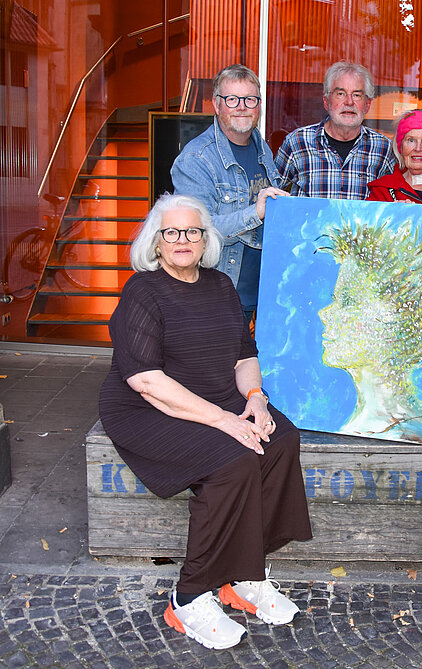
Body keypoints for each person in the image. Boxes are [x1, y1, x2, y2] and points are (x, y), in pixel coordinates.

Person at [98, 194, 311, 650]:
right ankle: (189, 594)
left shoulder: (219, 285)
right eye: (171, 232)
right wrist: (224, 421)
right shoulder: (143, 290)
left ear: (205, 239)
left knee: (279, 438)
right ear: (156, 243)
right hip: (146, 409)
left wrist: (255, 400)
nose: (182, 240)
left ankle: (245, 574)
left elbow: (243, 355)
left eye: (192, 231)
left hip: (211, 396)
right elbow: (147, 381)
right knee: (232, 460)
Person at [317, 219, 422, 445]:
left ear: (398, 315)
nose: (324, 314)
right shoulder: (364, 426)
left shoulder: (409, 436)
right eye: (336, 300)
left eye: (349, 301)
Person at [171, 64, 288, 323]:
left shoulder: (261, 147)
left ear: (259, 104)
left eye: (250, 99)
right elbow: (196, 232)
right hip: (220, 298)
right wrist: (255, 212)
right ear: (216, 104)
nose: (242, 107)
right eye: (232, 99)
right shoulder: (196, 159)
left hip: (263, 294)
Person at [274, 61, 395, 199]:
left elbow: (393, 203)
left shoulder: (384, 149)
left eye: (357, 95)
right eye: (340, 94)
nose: (349, 102)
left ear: (367, 105)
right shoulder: (296, 143)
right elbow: (271, 196)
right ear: (326, 101)